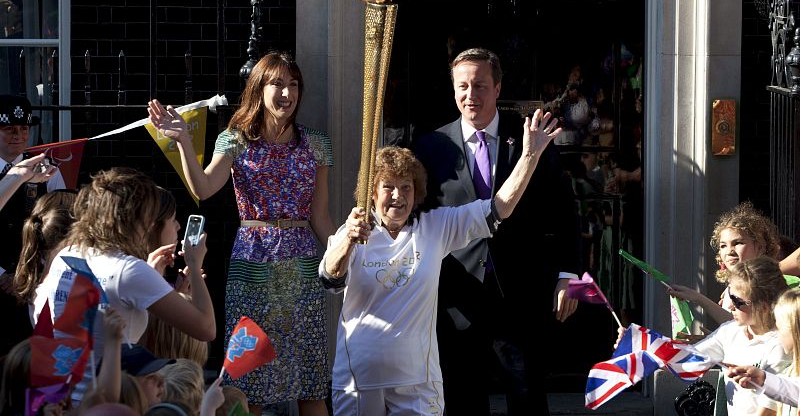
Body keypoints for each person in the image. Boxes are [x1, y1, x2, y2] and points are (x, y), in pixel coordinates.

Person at [320, 109, 560, 416]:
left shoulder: (435, 228)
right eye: (388, 187)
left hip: (417, 384)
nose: (398, 196)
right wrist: (348, 240)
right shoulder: (354, 230)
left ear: (417, 191)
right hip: (359, 380)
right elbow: (330, 278)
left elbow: (499, 208)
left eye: (406, 187)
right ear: (372, 192)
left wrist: (529, 156)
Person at [147, 51, 335, 416]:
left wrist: (347, 259)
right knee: (249, 379)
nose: (287, 93)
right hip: (252, 264)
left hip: (302, 267)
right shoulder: (235, 140)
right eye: (277, 84)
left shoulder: (315, 144)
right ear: (259, 89)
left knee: (310, 381)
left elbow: (321, 219)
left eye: (293, 84)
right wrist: (185, 140)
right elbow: (202, 189)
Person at [412, 47, 581, 415]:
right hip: (457, 297)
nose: (471, 95)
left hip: (520, 295)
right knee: (461, 400)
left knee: (527, 397)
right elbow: (417, 220)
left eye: (480, 85)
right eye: (463, 86)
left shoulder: (530, 140)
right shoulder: (430, 148)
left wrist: (568, 275)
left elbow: (564, 213)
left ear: (497, 87)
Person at [34, 167, 215, 405]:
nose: (152, 223)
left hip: (62, 398)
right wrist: (193, 261)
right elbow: (206, 329)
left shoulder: (68, 254)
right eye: (149, 214)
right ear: (134, 217)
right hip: (111, 398)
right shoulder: (128, 269)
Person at [0, 94, 64, 355]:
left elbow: (59, 226)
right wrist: (2, 275)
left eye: (23, 129)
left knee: (33, 358)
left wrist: (32, 271)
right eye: (9, 129)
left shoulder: (48, 169)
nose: (18, 135)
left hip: (34, 280)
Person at [690, 257, 790, 416]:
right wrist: (649, 349)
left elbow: (768, 410)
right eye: (730, 295)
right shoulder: (730, 331)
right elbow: (690, 360)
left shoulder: (780, 345)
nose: (730, 305)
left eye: (738, 301)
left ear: (763, 307)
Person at [668, 201, 784, 329]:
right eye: (723, 246)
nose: (729, 251)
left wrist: (698, 298)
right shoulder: (730, 287)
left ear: (760, 247)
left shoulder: (770, 283)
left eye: (738, 243)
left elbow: (744, 329)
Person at [727, 287, 800, 416]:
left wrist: (763, 379)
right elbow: (792, 390)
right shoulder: (791, 371)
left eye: (780, 326)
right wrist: (762, 378)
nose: (777, 333)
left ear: (795, 331)